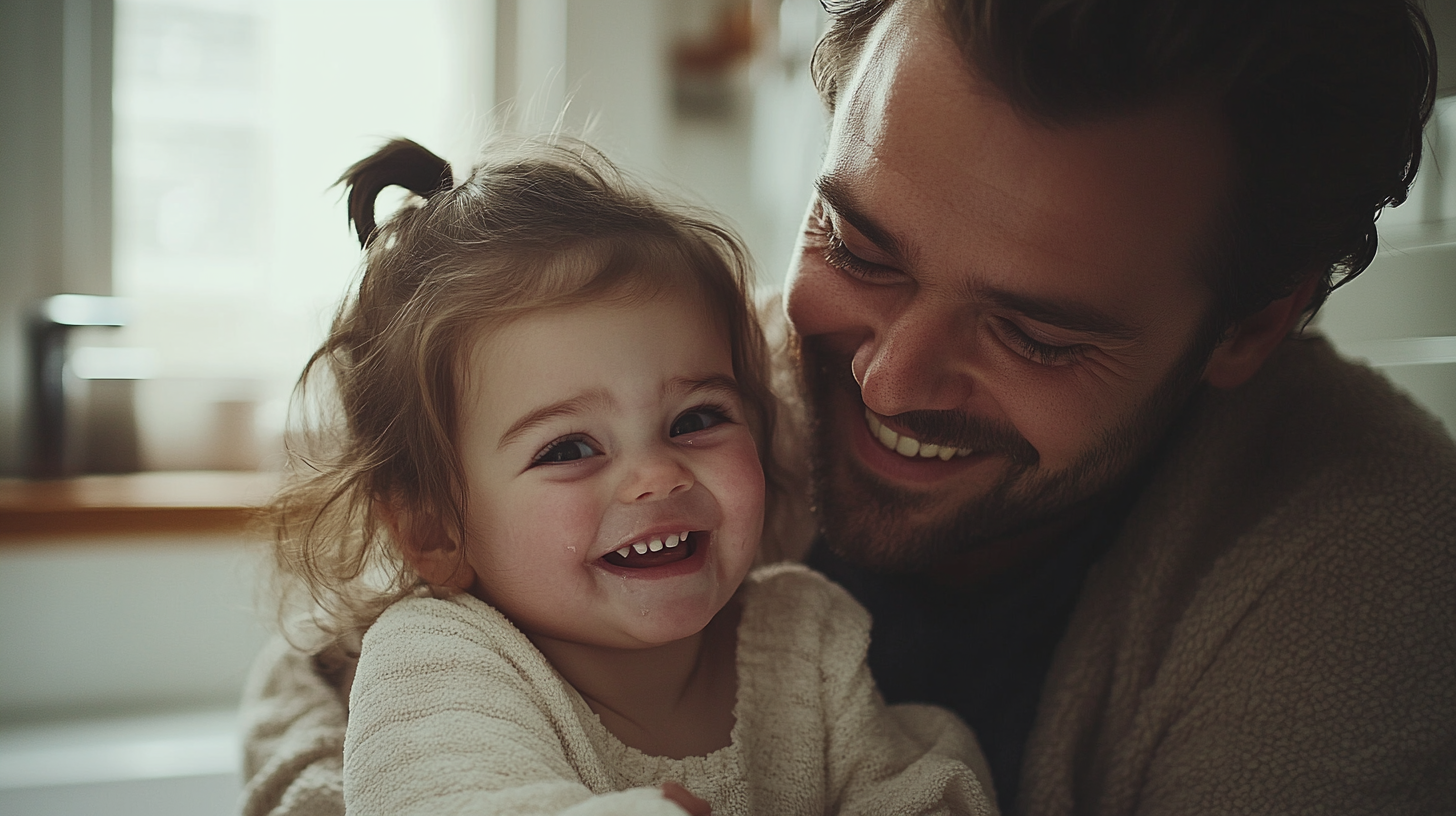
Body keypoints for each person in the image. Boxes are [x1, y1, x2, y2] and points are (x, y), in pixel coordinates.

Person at [242, 1, 1456, 814]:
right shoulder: (712, 376)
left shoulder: (1366, 572)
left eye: (1032, 330)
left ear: (1246, 323)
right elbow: (334, 663)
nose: (886, 380)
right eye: (857, 244)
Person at [254, 135, 995, 816]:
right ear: (434, 530)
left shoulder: (805, 635)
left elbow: (916, 789)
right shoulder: (439, 659)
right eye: (569, 449)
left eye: (697, 419)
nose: (656, 477)